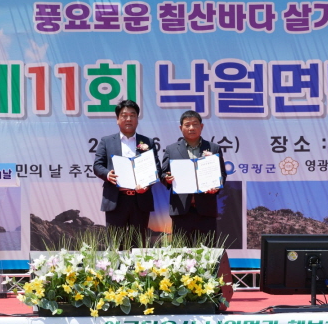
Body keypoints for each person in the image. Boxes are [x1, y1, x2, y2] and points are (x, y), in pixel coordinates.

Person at [93, 100, 161, 244]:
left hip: (140, 200)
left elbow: (156, 168)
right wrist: (107, 174)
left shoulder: (148, 142)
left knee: (138, 244)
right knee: (115, 244)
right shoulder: (106, 141)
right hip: (116, 200)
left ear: (137, 119)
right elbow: (97, 166)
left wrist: (147, 184)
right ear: (117, 119)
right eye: (124, 115)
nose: (128, 119)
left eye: (132, 115)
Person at [161, 110, 227, 245]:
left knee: (208, 251)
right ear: (181, 128)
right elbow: (163, 173)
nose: (191, 128)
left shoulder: (213, 148)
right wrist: (167, 178)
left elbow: (222, 173)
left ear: (201, 127)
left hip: (206, 209)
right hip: (181, 210)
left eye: (195, 124)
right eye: (187, 125)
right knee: (181, 252)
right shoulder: (171, 149)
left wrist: (216, 186)